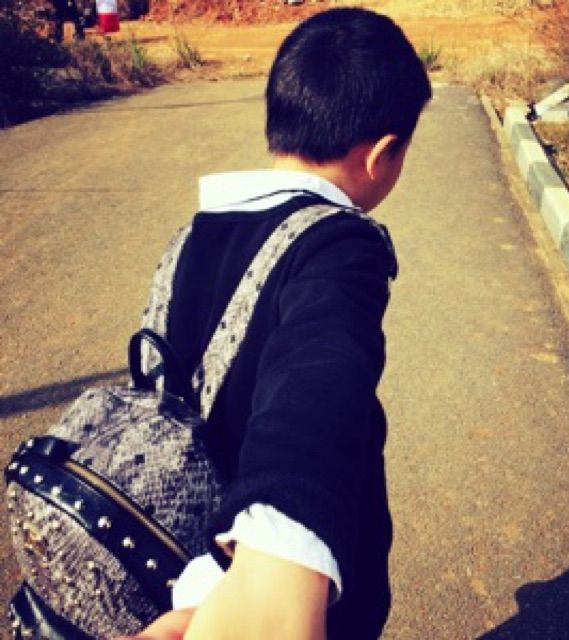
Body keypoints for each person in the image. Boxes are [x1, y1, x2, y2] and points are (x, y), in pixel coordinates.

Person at [116, 7, 431, 640]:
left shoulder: (194, 236)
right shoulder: (341, 244)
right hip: (293, 588)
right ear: (383, 154)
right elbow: (320, 369)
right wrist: (281, 560)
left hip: (180, 557)